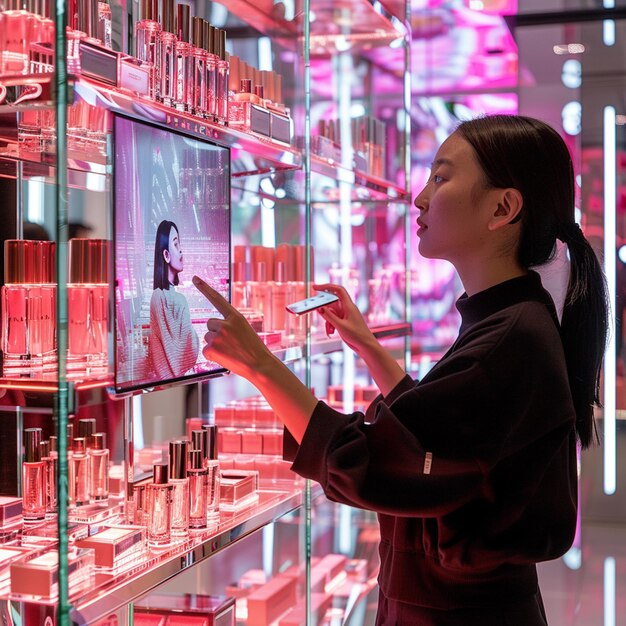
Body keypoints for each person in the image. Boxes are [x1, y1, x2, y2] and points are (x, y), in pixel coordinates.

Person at [192, 115, 608, 625]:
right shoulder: (513, 320)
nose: (420, 198)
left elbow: (371, 462)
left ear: (503, 208)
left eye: (441, 177)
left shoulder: (510, 339)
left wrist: (259, 364)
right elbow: (448, 440)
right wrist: (368, 346)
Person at [148, 220, 198, 379]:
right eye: (176, 245)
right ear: (166, 255)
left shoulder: (161, 298)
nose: (181, 250)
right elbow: (186, 350)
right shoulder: (168, 298)